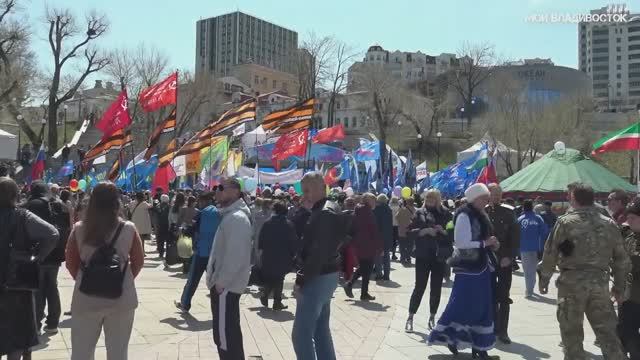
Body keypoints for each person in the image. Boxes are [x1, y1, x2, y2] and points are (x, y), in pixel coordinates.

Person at [538, 183, 630, 360]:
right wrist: (619, 286)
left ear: (573, 198)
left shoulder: (565, 222)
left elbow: (550, 252)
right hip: (599, 284)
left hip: (571, 285)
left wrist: (544, 279)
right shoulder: (609, 223)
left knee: (572, 336)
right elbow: (621, 259)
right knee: (608, 335)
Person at [65, 182, 144, 360]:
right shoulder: (129, 228)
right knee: (118, 353)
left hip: (85, 298)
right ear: (117, 202)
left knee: (81, 353)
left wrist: (88, 279)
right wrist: (120, 279)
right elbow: (138, 263)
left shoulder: (79, 228)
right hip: (121, 299)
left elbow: (71, 263)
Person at [429, 183, 499, 359]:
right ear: (475, 198)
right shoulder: (464, 215)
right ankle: (451, 337)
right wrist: (485, 243)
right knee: (461, 304)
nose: (487, 200)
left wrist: (492, 244)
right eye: (484, 198)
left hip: (482, 267)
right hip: (467, 269)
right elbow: (460, 243)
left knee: (483, 306)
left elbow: (482, 238)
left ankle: (480, 346)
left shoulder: (481, 214)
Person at [0, 178, 58, 360]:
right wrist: (36, 258)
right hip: (17, 282)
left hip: (12, 283)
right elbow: (52, 234)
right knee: (18, 338)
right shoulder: (22, 216)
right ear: (15, 195)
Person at [292, 172, 348, 360]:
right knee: (320, 330)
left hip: (318, 276)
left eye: (308, 190)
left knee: (301, 335)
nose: (304, 194)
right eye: (303, 190)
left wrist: (301, 280)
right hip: (326, 274)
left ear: (321, 188)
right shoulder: (326, 209)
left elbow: (318, 252)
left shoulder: (324, 212)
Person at [206, 178, 252, 360]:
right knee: (224, 335)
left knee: (226, 338)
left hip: (227, 287)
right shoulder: (230, 216)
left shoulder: (237, 218)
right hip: (224, 286)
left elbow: (236, 255)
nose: (217, 191)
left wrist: (221, 283)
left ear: (235, 191)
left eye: (221, 188)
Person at [405, 189, 452, 333]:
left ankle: (432, 316)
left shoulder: (446, 213)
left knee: (436, 288)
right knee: (419, 287)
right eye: (428, 198)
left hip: (439, 256)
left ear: (438, 199)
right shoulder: (419, 212)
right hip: (423, 255)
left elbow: (452, 235)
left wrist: (442, 231)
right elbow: (408, 232)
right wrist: (423, 231)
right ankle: (411, 316)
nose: (430, 200)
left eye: (433, 198)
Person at [23, 181, 67, 335]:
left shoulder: (30, 206)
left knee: (38, 289)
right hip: (56, 253)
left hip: (36, 253)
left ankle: (36, 323)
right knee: (52, 287)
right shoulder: (60, 205)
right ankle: (53, 322)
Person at [485, 183, 519, 344]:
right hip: (486, 261)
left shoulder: (509, 212)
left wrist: (509, 257)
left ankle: (503, 331)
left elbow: (515, 238)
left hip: (504, 260)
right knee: (489, 295)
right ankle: (491, 326)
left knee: (504, 297)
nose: (496, 196)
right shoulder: (481, 211)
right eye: (493, 193)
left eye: (499, 193)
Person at [175, 192, 219, 313]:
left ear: (204, 201)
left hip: (201, 252)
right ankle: (218, 307)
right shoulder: (220, 213)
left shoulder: (201, 214)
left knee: (193, 280)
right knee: (215, 282)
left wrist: (182, 230)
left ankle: (185, 304)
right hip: (215, 253)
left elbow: (190, 230)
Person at [343, 193, 383, 301]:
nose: (375, 202)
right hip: (367, 245)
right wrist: (379, 247)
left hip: (359, 244)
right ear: (368, 201)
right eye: (373, 200)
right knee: (366, 268)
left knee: (365, 268)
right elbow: (373, 231)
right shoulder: (367, 212)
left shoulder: (359, 211)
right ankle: (351, 285)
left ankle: (361, 292)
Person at [258, 200, 297, 310]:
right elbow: (293, 242)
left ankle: (266, 296)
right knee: (279, 278)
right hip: (283, 256)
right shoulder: (289, 224)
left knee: (271, 277)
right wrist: (294, 254)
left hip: (268, 255)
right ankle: (275, 301)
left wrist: (261, 253)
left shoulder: (267, 223)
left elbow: (261, 240)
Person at [619, 199, 640, 359]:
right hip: (629, 298)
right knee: (625, 334)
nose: (628, 221)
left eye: (633, 218)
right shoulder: (629, 238)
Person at [517, 199, 547, 298]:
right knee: (533, 269)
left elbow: (515, 234)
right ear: (532, 207)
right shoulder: (538, 218)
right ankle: (531, 288)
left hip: (524, 248)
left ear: (523, 207)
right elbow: (544, 232)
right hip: (536, 248)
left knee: (527, 270)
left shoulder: (520, 219)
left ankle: (529, 290)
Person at [373, 194, 394, 281]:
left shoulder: (376, 210)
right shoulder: (389, 210)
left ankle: (379, 274)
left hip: (378, 235)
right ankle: (386, 275)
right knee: (386, 256)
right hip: (388, 236)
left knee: (378, 256)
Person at [396, 198, 416, 265]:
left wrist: (401, 222)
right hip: (411, 230)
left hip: (402, 230)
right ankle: (408, 257)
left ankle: (403, 258)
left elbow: (397, 217)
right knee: (410, 245)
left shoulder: (402, 209)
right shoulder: (416, 210)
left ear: (407, 202)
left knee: (402, 245)